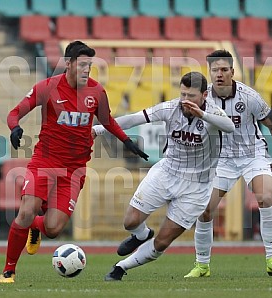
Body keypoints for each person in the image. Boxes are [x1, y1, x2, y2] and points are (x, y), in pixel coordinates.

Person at [0, 40, 149, 283]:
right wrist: (14, 128)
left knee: (54, 229)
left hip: (74, 170)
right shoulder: (47, 88)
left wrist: (126, 141)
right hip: (45, 161)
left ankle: (36, 227)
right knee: (26, 210)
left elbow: (108, 120)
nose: (87, 69)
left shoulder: (96, 92)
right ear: (68, 64)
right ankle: (9, 270)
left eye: (90, 65)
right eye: (82, 64)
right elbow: (14, 113)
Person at [93, 71, 235, 281]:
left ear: (204, 95)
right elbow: (134, 119)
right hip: (167, 172)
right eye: (183, 94)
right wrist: (98, 129)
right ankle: (141, 235)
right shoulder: (170, 108)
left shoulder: (213, 115)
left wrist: (202, 115)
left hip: (197, 186)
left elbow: (230, 127)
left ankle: (120, 268)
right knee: (130, 222)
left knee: (163, 241)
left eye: (192, 96)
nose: (186, 101)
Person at [184, 49, 272, 278]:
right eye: (215, 70)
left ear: (232, 71)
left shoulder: (249, 96)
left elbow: (269, 123)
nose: (219, 74)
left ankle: (271, 258)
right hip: (221, 160)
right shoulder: (203, 99)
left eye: (224, 70)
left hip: (253, 154)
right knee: (204, 209)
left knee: (266, 197)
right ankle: (202, 265)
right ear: (210, 72)